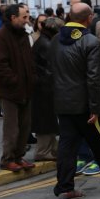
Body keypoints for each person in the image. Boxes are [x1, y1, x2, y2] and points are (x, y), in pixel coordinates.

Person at [48, 2, 100, 199]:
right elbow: (93, 77)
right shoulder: (91, 41)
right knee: (99, 140)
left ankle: (66, 186)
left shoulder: (56, 39)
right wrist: (95, 107)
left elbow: (52, 70)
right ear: (89, 18)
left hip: (62, 101)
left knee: (68, 144)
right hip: (84, 103)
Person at [70, 0, 100, 175]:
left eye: (74, 5)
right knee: (82, 122)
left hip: (97, 83)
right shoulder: (72, 29)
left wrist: (87, 62)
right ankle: (84, 156)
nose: (70, 9)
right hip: (79, 85)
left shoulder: (99, 26)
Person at [0, 4, 36, 172]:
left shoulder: (23, 35)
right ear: (13, 18)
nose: (27, 20)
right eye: (24, 17)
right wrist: (15, 80)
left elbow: (29, 60)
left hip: (26, 88)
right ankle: (8, 159)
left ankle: (19, 156)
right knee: (11, 127)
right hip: (10, 90)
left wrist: (32, 77)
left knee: (25, 126)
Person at [31, 17, 63, 161]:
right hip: (44, 89)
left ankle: (51, 149)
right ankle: (43, 151)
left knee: (49, 120)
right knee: (45, 121)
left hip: (43, 88)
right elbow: (51, 68)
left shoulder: (45, 41)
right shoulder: (46, 44)